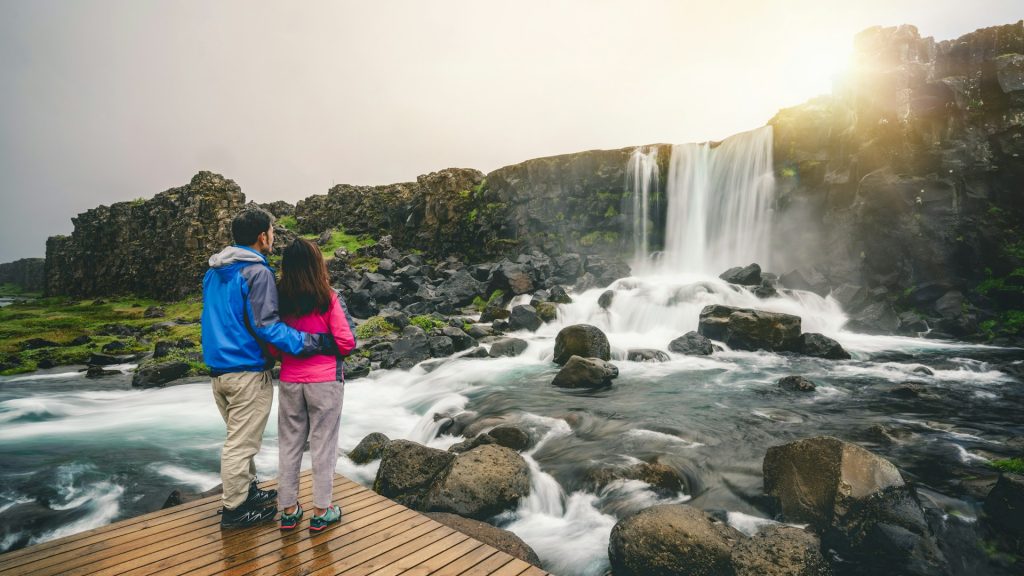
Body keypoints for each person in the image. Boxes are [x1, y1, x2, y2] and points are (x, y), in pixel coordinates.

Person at [201, 209, 338, 528]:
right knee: (241, 442)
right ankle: (235, 510)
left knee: (238, 435)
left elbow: (217, 317)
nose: (274, 236)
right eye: (272, 231)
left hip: (218, 371)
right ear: (262, 236)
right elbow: (267, 326)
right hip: (246, 370)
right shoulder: (256, 273)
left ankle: (247, 492)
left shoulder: (214, 271)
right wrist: (313, 342)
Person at [272, 238, 356, 532]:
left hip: (290, 381)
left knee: (290, 445)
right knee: (323, 446)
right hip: (325, 382)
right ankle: (322, 511)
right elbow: (347, 342)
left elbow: (272, 343)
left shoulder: (278, 300)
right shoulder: (328, 297)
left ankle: (289, 510)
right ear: (317, 263)